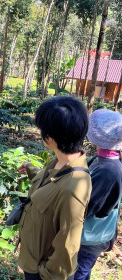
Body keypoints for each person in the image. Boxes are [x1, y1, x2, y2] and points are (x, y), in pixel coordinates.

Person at [17, 96, 92, 280]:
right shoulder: (60, 162)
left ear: (50, 137)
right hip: (31, 258)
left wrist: (45, 274)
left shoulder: (74, 187)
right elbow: (50, 187)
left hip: (41, 272)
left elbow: (68, 243)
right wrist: (31, 170)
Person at [72, 109, 122, 280]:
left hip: (89, 240)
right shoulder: (103, 161)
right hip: (88, 237)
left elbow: (88, 207)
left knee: (78, 273)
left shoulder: (108, 171)